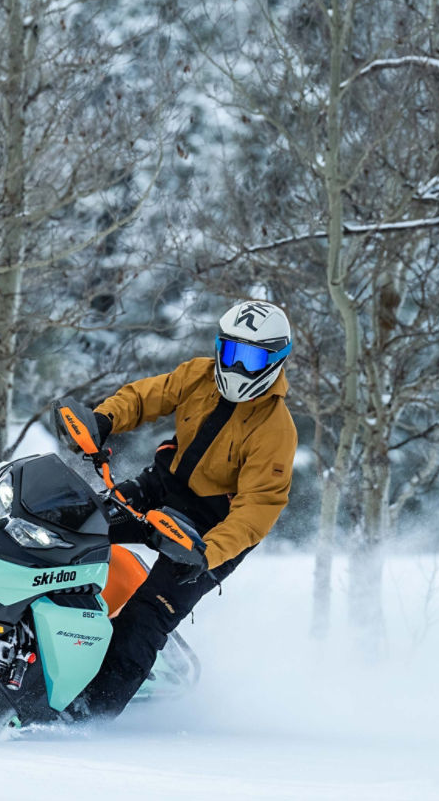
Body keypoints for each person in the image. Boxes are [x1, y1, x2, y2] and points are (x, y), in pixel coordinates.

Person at [68, 300, 297, 719]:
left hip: (211, 532)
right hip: (163, 489)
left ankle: (90, 715)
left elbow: (257, 509)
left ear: (276, 360)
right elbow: (145, 396)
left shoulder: (276, 430)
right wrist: (104, 418)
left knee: (147, 615)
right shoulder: (198, 375)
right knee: (74, 527)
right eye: (231, 353)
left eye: (253, 359)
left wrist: (207, 553)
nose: (238, 368)